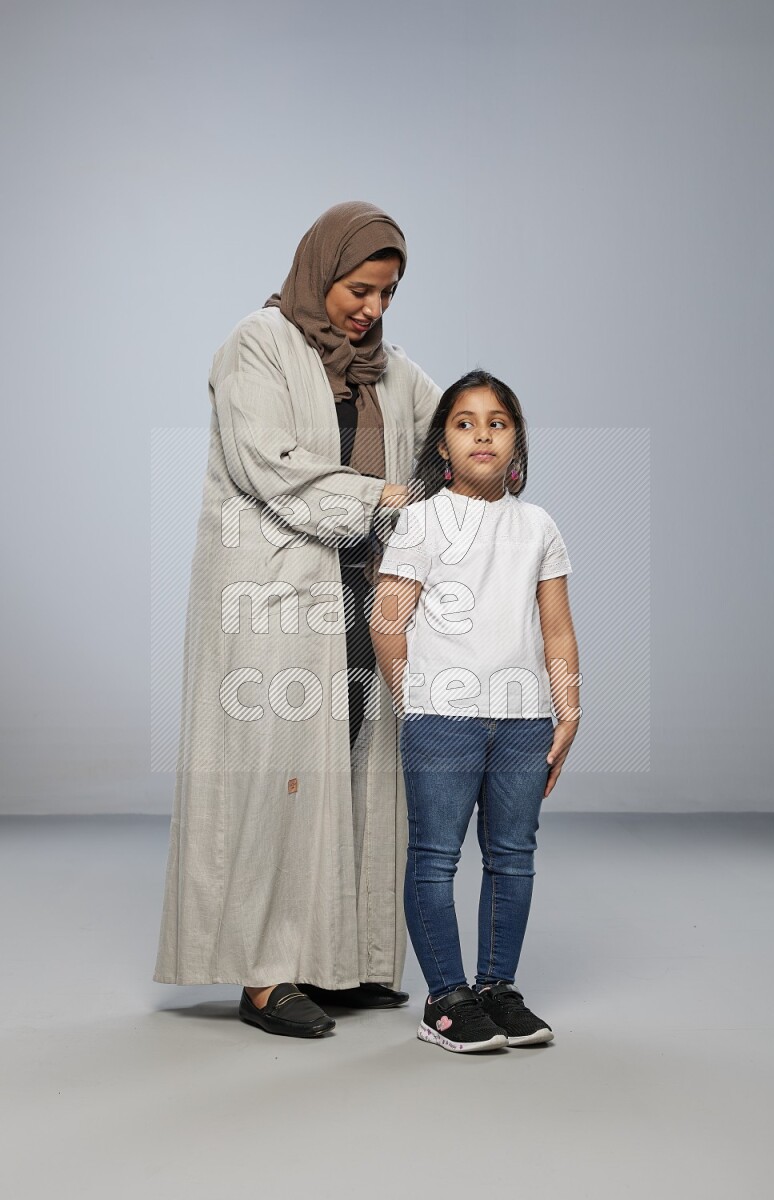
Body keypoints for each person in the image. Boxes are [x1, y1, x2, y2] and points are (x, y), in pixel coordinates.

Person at [153, 201, 442, 1039]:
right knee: (278, 778)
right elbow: (268, 463)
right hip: (274, 598)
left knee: (354, 766)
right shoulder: (258, 345)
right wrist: (385, 497)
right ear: (322, 274)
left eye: (388, 294)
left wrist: (488, 442)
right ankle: (263, 975)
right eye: (360, 289)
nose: (372, 310)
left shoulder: (390, 371)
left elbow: (448, 426)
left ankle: (335, 962)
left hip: (361, 592)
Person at [370, 369, 581, 1053]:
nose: (481, 433)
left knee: (512, 857)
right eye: (465, 422)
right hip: (445, 718)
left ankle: (497, 989)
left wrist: (567, 708)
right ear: (443, 447)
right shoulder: (422, 521)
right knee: (435, 857)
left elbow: (555, 628)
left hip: (524, 720)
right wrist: (416, 700)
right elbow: (388, 620)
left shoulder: (539, 525)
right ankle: (446, 1000)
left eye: (497, 421)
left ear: (516, 441)